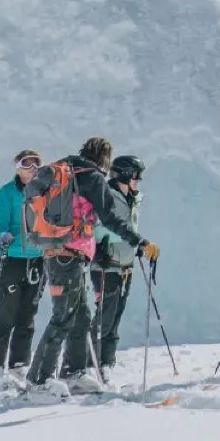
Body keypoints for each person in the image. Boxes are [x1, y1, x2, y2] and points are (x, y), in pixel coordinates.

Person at [26, 137, 159, 395]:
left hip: (59, 252)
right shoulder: (92, 177)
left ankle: (74, 373)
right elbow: (110, 217)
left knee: (81, 316)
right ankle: (37, 382)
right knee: (63, 316)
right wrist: (139, 241)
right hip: (69, 254)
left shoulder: (65, 170)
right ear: (105, 159)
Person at [0, 149, 46, 388]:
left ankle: (19, 365)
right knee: (6, 314)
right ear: (17, 168)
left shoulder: (44, 193)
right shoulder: (6, 194)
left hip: (37, 259)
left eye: (36, 164)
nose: (32, 168)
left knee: (27, 315)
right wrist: (2, 237)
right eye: (26, 164)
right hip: (12, 259)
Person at [89, 154, 145, 384]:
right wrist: (131, 240)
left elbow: (130, 227)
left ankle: (107, 361)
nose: (138, 181)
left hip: (125, 264)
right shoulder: (107, 195)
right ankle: (90, 363)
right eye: (136, 176)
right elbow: (96, 227)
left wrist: (135, 246)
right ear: (124, 174)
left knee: (116, 315)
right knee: (105, 316)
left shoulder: (134, 198)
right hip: (106, 263)